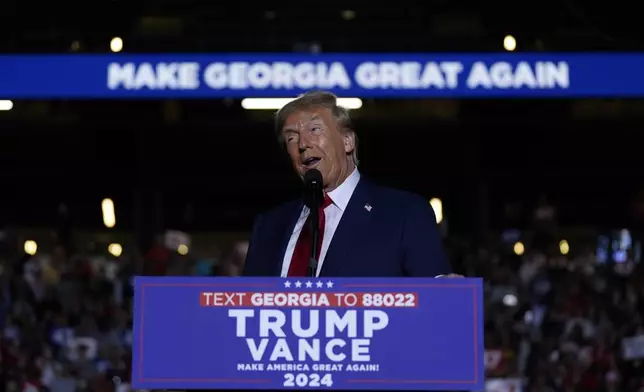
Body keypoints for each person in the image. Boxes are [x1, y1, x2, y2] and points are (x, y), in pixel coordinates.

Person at [243, 91, 454, 278]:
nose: (303, 144)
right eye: (291, 138)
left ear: (347, 141)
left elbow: (434, 305)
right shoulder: (269, 227)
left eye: (315, 129)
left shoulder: (405, 214)